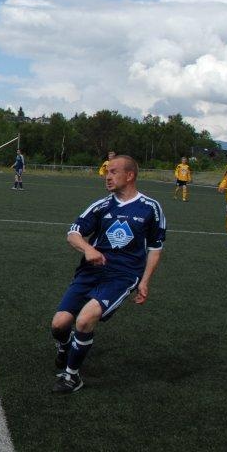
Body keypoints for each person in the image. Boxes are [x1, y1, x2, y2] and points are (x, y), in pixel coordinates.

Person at [51, 155, 165, 394]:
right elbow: (73, 233)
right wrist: (88, 249)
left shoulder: (150, 208)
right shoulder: (102, 206)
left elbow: (155, 248)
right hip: (90, 271)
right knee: (59, 324)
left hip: (123, 275)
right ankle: (64, 346)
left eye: (113, 172)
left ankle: (72, 377)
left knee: (84, 320)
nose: (107, 176)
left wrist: (145, 281)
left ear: (130, 175)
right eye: (106, 172)